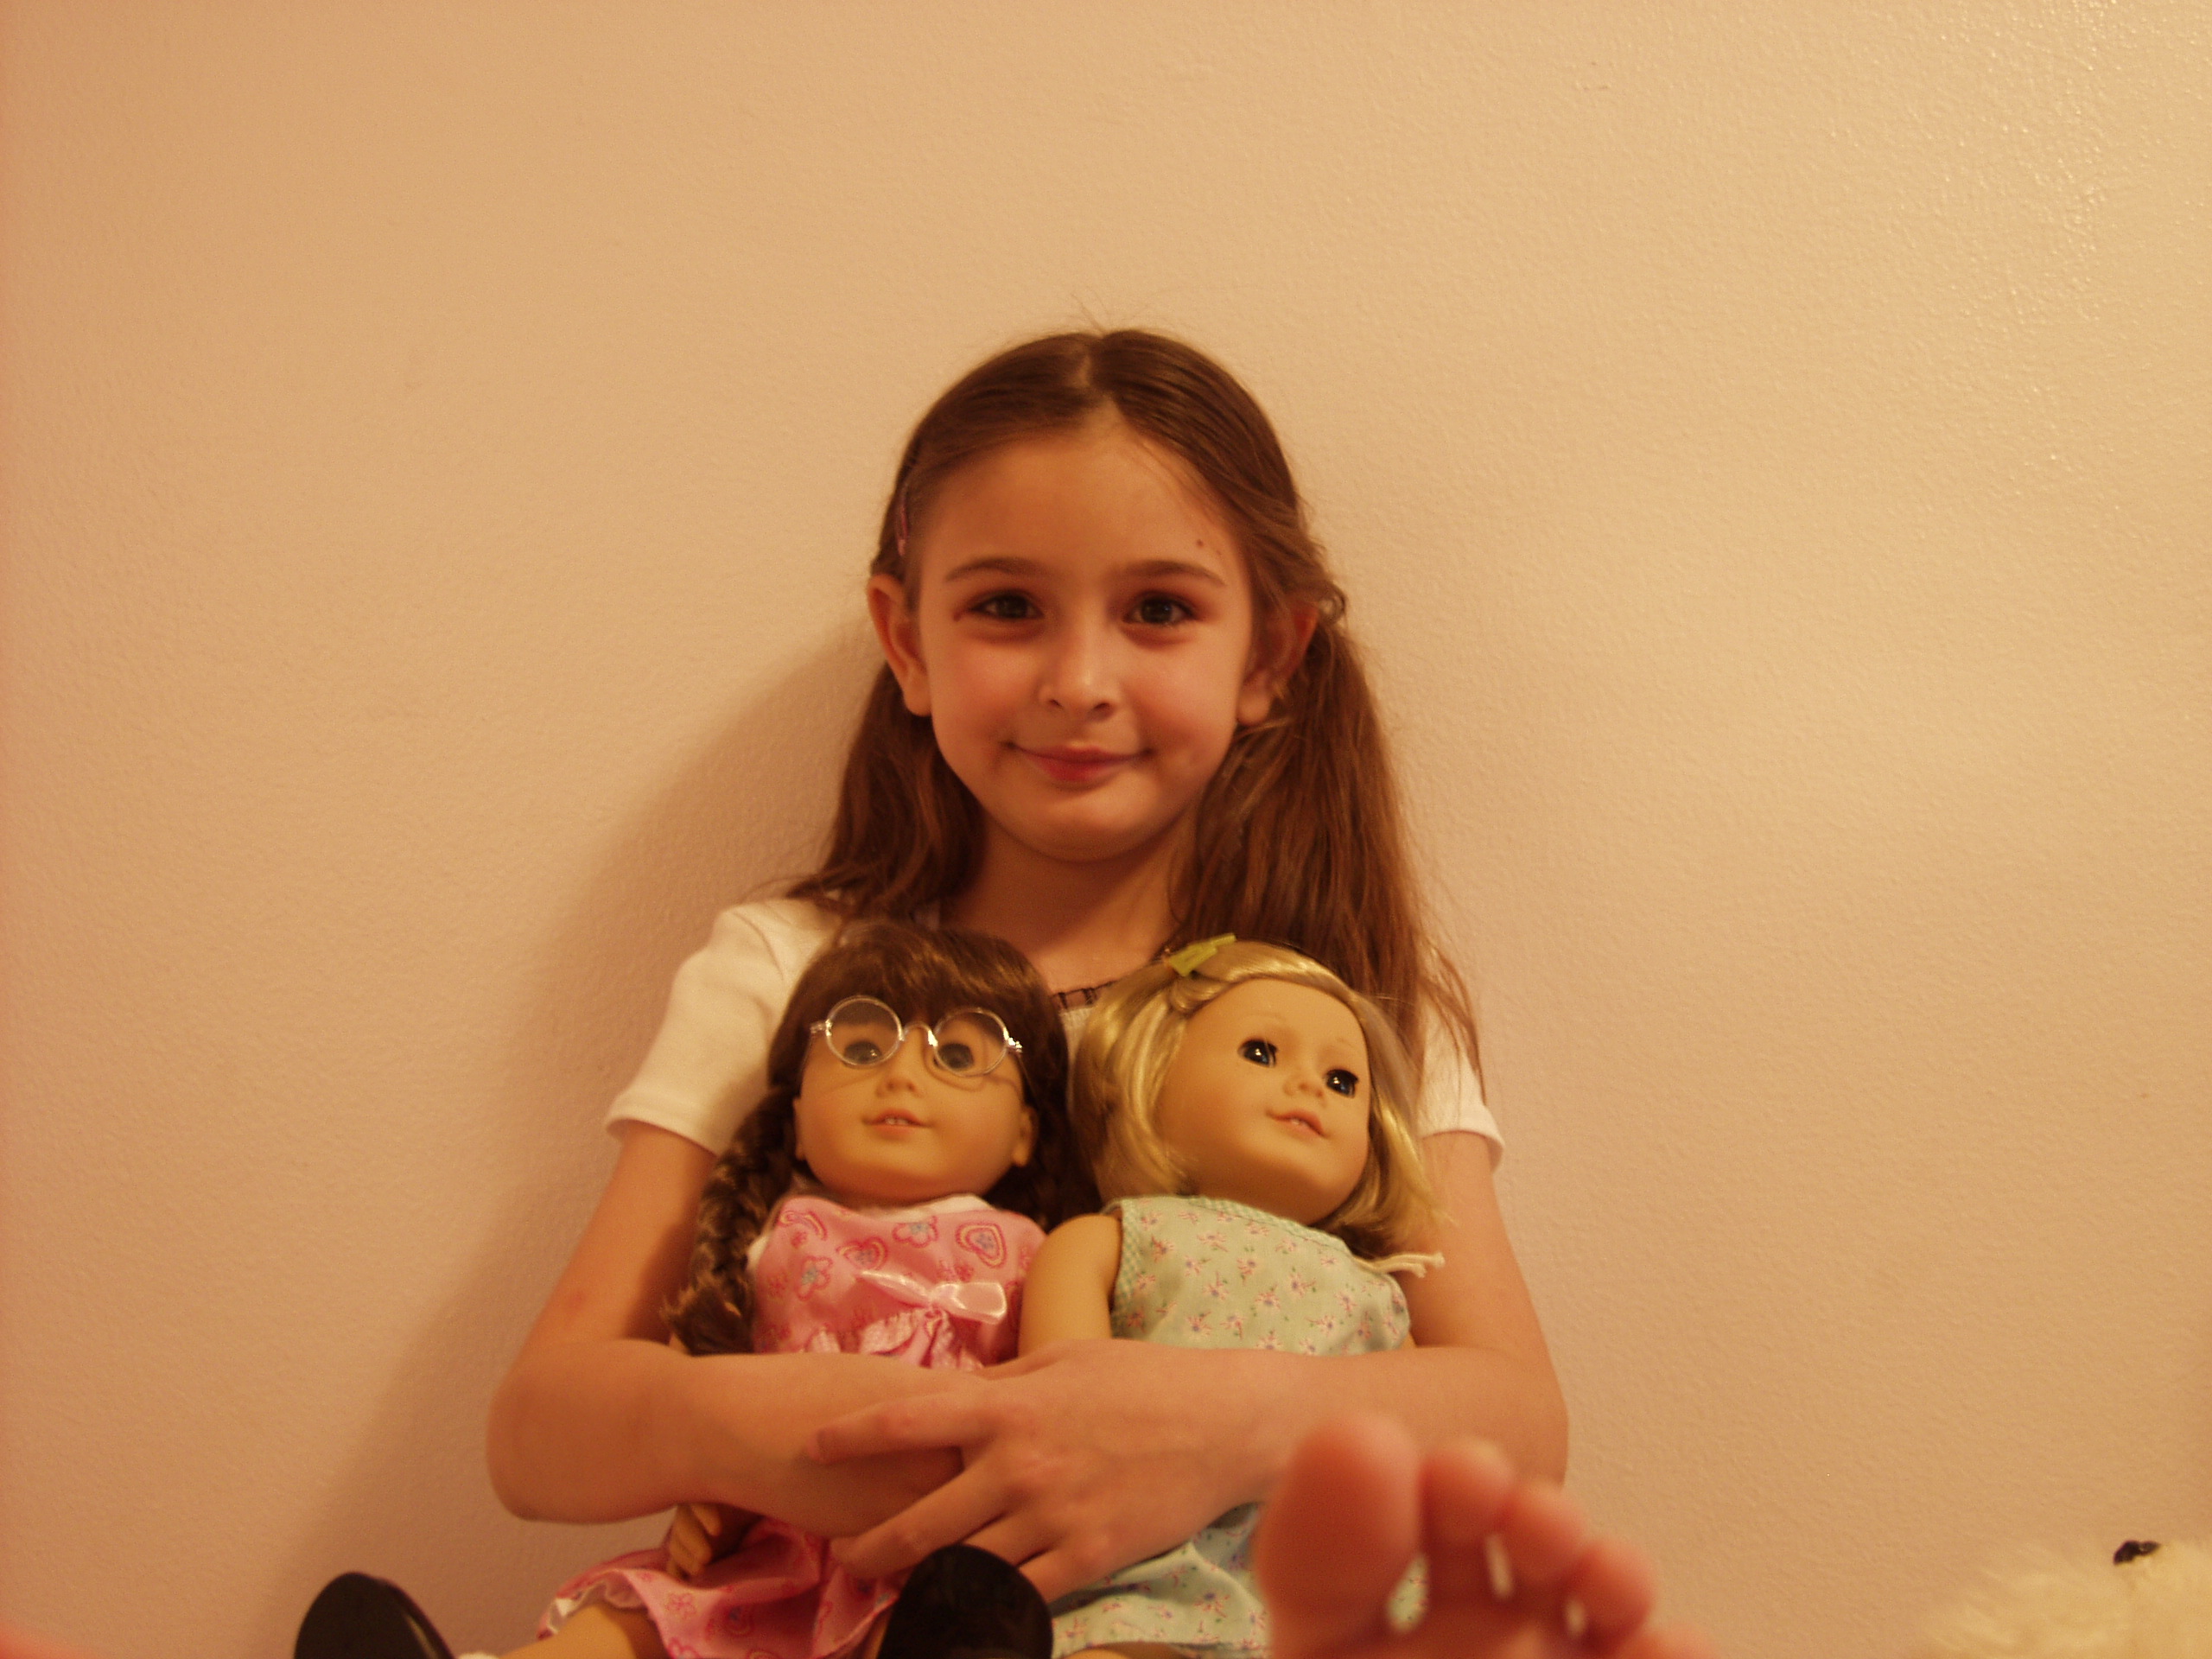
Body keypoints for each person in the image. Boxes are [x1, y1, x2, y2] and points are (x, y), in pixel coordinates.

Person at [477, 327, 1566, 1622]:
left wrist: (1220, 1426)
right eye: (1006, 608)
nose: (1079, 683)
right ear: (906, 640)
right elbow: (536, 1433)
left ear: (1271, 656)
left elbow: (1518, 1425)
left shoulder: (1344, 1011)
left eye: (1159, 610)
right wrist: (766, 1423)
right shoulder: (791, 974)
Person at [1021, 935, 1447, 1654]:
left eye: (1343, 1081)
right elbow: (1063, 1410)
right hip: (1149, 1572)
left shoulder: (1376, 1292)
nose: (1311, 1086)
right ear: (1152, 1071)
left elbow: (1424, 1438)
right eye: (1262, 1052)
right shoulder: (1116, 1239)